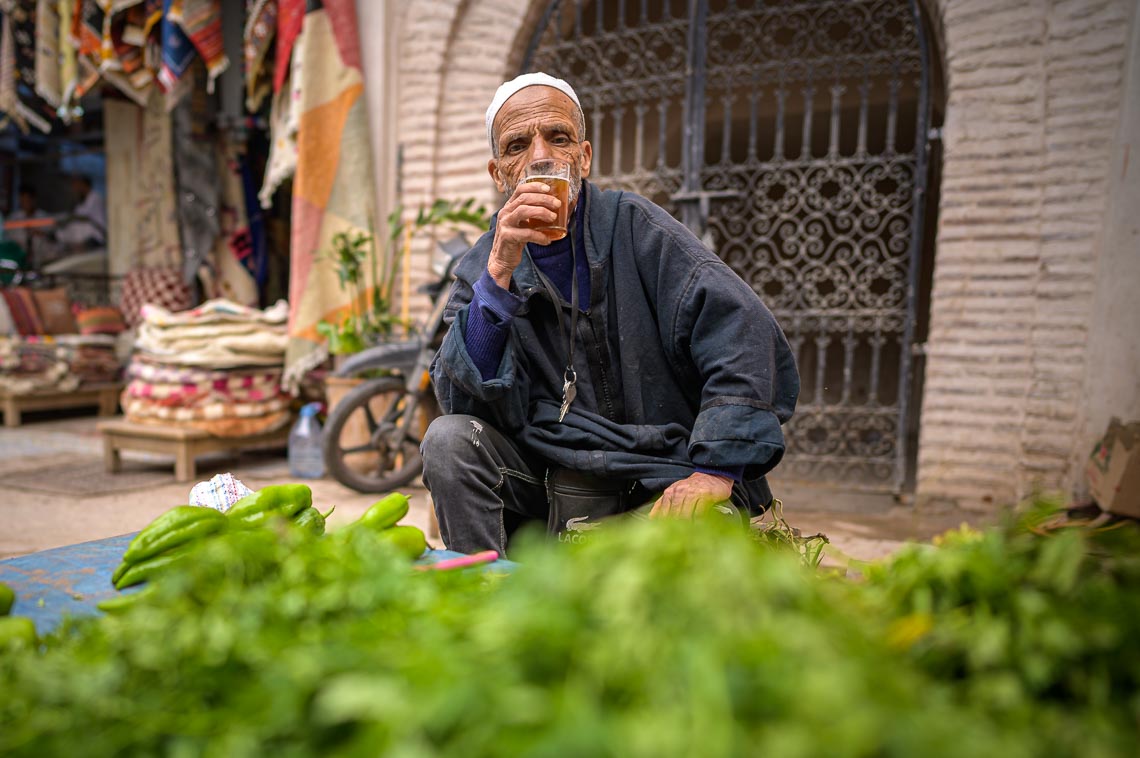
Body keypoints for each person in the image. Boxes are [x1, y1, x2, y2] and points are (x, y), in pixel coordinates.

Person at [421, 72, 799, 556]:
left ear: (584, 156)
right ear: (499, 174)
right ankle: (486, 598)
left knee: (703, 541)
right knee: (447, 440)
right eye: (518, 145)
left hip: (661, 474)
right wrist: (498, 276)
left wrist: (715, 471)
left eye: (558, 138)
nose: (541, 157)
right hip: (548, 478)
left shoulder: (640, 228)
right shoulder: (484, 263)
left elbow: (741, 330)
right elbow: (462, 404)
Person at [6, 185, 55, 268]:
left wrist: (42, 234)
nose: (25, 204)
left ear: (34, 199)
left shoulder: (45, 218)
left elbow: (53, 240)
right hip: (19, 262)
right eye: (23, 201)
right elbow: (9, 242)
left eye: (28, 200)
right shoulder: (13, 219)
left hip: (42, 261)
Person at [55, 175, 106, 252]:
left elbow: (83, 218)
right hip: (85, 243)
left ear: (83, 184)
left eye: (76, 185)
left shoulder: (95, 199)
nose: (74, 189)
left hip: (97, 241)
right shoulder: (80, 205)